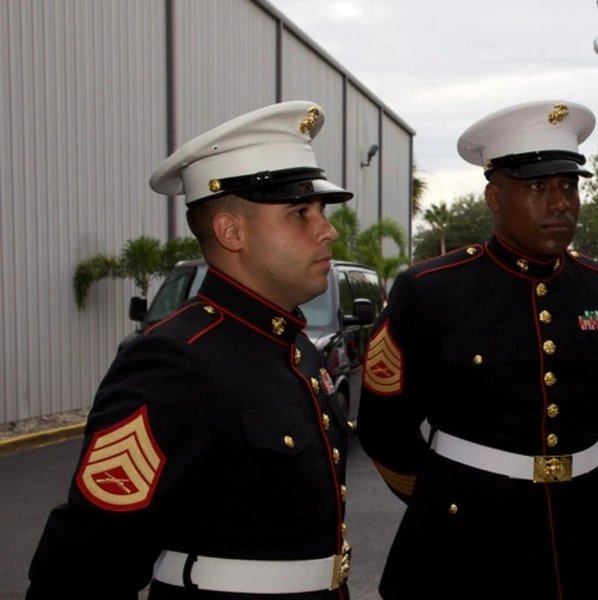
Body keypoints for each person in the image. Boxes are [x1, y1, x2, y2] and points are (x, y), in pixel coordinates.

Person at [28, 101, 355, 599]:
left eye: (322, 212)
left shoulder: (294, 348)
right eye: (299, 213)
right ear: (231, 232)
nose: (327, 229)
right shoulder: (175, 362)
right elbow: (86, 565)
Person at [357, 100, 598, 599]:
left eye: (569, 185)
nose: (561, 203)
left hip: (586, 537)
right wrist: (443, 496)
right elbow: (384, 429)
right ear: (495, 196)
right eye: (538, 187)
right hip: (466, 543)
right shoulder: (431, 292)